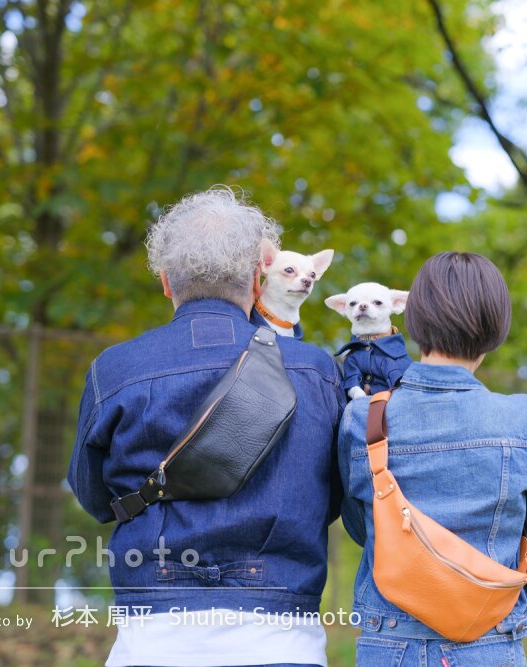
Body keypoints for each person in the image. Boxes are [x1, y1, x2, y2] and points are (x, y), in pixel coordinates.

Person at [67, 186, 345, 667]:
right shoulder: (318, 371)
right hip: (283, 641)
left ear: (165, 281)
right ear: (258, 280)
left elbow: (95, 498)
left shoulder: (114, 370)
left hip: (152, 643)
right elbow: (335, 498)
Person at [337, 252, 527, 667]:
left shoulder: (366, 415)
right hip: (488, 637)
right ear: (497, 325)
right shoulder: (524, 417)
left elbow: (361, 524)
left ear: (414, 319)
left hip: (388, 639)